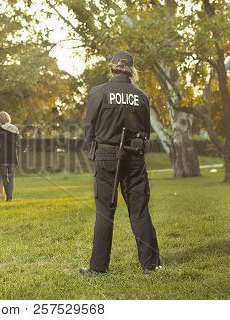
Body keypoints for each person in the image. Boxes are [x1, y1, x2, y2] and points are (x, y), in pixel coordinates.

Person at [80, 51, 161, 275]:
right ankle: (151, 265)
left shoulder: (98, 93)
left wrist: (96, 150)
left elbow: (88, 129)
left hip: (106, 156)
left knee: (105, 212)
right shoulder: (141, 96)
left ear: (112, 67)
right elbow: (145, 132)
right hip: (134, 158)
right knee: (139, 210)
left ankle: (98, 268)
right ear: (132, 70)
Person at [0, 111, 19, 202]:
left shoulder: (0, 129)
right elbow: (17, 143)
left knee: (4, 178)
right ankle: (9, 197)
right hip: (12, 156)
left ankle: (8, 197)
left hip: (3, 156)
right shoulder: (15, 129)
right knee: (12, 178)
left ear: (1, 119)